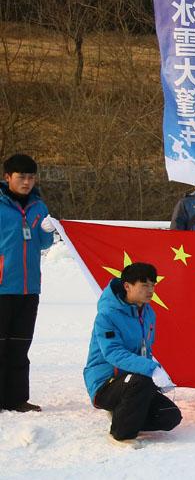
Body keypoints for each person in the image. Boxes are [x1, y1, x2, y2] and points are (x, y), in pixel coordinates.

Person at [83, 263, 182, 441]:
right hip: (106, 384)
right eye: (144, 285)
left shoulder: (148, 312)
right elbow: (113, 352)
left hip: (134, 382)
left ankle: (123, 412)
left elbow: (145, 350)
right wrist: (151, 369)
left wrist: (157, 378)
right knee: (140, 380)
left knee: (170, 416)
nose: (150, 290)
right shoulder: (107, 315)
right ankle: (121, 434)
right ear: (127, 286)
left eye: (153, 285)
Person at [1, 154, 54, 412]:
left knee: (20, 345)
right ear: (7, 177)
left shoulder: (39, 207)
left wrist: (47, 231)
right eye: (21, 177)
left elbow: (44, 245)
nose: (27, 182)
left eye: (31, 177)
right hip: (1, 287)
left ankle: (17, 399)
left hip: (29, 287)